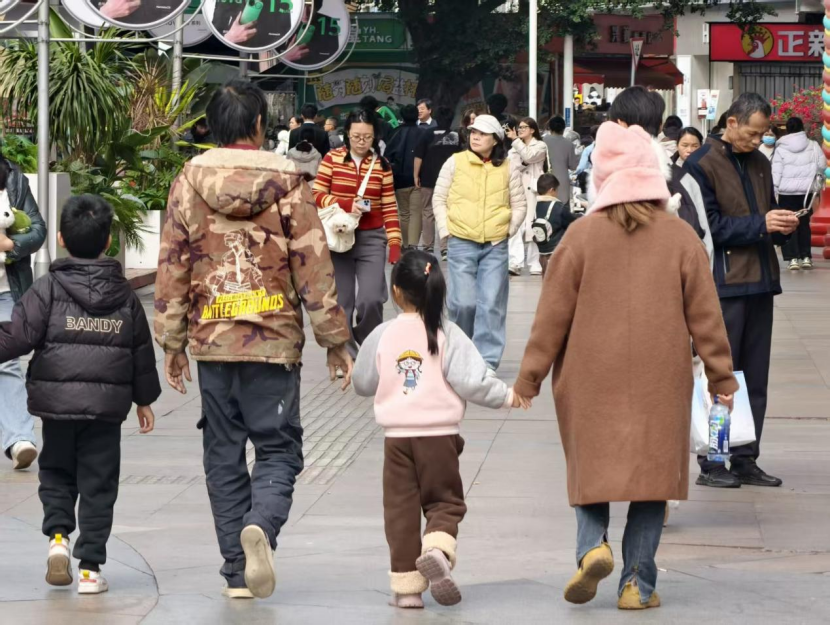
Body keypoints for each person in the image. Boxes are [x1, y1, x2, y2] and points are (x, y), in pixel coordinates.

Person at [514, 121, 739, 611]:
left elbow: (551, 317)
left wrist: (529, 376)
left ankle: (592, 548)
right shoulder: (680, 238)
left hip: (589, 376)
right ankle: (638, 583)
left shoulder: (580, 237)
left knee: (591, 470)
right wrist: (721, 376)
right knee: (651, 480)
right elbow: (706, 317)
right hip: (661, 377)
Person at [155, 80, 353, 599]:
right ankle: (261, 525)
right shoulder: (289, 180)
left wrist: (171, 343)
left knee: (222, 452)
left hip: (213, 341)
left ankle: (235, 572)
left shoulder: (187, 180)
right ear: (260, 126)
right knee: (279, 448)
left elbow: (172, 265)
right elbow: (312, 259)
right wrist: (334, 338)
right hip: (274, 342)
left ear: (212, 126)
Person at [0, 194, 161, 594]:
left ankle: (57, 538)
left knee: (55, 474)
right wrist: (145, 399)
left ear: (59, 238)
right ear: (109, 241)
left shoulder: (46, 288)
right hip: (106, 411)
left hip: (56, 409)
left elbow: (18, 336)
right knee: (99, 484)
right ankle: (90, 569)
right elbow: (140, 349)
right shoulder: (124, 294)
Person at [353, 250, 527, 609]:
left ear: (396, 292)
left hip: (397, 439)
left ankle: (407, 590)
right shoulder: (449, 333)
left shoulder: (383, 335)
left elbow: (363, 382)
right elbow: (473, 381)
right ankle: (437, 548)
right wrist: (507, 396)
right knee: (445, 500)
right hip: (440, 437)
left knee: (399, 511)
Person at [685, 92, 800, 489]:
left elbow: (762, 215)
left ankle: (746, 457)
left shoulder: (761, 163)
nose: (757, 141)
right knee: (721, 376)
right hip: (722, 285)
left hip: (761, 282)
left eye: (763, 135)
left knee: (755, 377)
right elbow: (705, 229)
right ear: (731, 122)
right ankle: (714, 460)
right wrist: (760, 224)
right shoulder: (698, 166)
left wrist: (781, 224)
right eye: (752, 133)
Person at [432, 114, 526, 370]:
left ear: (495, 139)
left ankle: (486, 363)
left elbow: (519, 204)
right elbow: (439, 198)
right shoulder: (455, 162)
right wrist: (446, 231)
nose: (475, 136)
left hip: (495, 244)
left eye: (483, 133)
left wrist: (509, 229)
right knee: (463, 303)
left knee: (492, 303)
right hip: (461, 241)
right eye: (473, 131)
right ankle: (461, 354)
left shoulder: (508, 166)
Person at [313, 108, 401, 357]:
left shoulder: (382, 166)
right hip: (338, 237)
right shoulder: (332, 159)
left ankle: (369, 344)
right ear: (347, 135)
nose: (361, 142)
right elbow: (316, 194)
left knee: (371, 299)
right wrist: (343, 203)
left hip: (372, 238)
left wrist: (395, 243)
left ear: (375, 137)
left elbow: (389, 206)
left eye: (367, 137)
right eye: (356, 136)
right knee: (343, 302)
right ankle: (348, 354)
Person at [0, 154, 46, 471]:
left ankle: (20, 439)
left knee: (8, 362)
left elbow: (37, 228)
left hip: (5, 289)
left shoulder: (13, 177)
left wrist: (9, 245)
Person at [772, 116, 826, 270]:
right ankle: (806, 256)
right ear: (802, 128)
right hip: (806, 192)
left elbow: (776, 172)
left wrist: (773, 191)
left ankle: (792, 259)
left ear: (787, 129)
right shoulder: (813, 145)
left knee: (787, 224)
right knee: (804, 224)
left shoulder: (781, 148)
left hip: (786, 193)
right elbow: (821, 165)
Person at [413, 106, 463, 260]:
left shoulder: (427, 134)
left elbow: (418, 156)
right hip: (450, 180)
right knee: (447, 212)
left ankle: (428, 247)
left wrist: (415, 175)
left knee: (428, 212)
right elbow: (461, 158)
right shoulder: (455, 136)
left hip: (428, 178)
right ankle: (445, 248)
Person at [506, 117, 548, 276]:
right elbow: (512, 166)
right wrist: (522, 162)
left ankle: (534, 263)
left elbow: (530, 156)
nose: (521, 129)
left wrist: (517, 142)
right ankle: (515, 262)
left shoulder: (540, 145)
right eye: (519, 127)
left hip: (534, 190)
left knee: (533, 226)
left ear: (532, 129)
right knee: (515, 225)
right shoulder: (514, 148)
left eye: (524, 127)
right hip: (517, 188)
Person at [385, 104, 426, 249]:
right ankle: (413, 245)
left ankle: (405, 243)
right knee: (416, 212)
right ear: (417, 116)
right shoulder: (423, 133)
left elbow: (387, 156)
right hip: (418, 178)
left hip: (399, 179)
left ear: (401, 117)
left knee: (403, 213)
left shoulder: (395, 133)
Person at [672, 127, 713, 265]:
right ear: (677, 145)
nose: (689, 149)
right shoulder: (669, 170)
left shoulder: (706, 168)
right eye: (684, 145)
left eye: (695, 146)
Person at [533, 173, 579, 276]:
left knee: (547, 280)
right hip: (557, 252)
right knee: (559, 281)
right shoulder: (558, 207)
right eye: (556, 190)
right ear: (551, 190)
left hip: (543, 253)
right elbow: (572, 221)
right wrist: (582, 216)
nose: (557, 193)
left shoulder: (537, 206)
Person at [543, 116, 578, 208]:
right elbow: (573, 166)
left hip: (545, 179)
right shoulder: (569, 144)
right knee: (562, 211)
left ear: (549, 128)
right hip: (562, 182)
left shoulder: (543, 141)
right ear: (563, 128)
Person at [575, 125, 598, 194]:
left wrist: (575, 174)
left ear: (591, 137)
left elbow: (582, 167)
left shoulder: (588, 149)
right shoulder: (609, 148)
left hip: (590, 179)